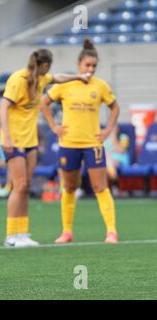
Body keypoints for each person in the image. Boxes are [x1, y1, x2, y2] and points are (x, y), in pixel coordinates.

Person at [0, 49, 90, 247]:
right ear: (46, 65)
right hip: (13, 140)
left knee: (26, 186)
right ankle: (10, 235)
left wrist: (78, 76)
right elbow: (3, 107)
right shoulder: (19, 79)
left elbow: (58, 77)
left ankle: (22, 233)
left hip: (30, 140)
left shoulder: (41, 78)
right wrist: (6, 137)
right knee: (19, 185)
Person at [40, 39, 120, 244]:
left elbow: (115, 107)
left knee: (100, 186)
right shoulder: (65, 84)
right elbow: (43, 102)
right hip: (69, 143)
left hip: (93, 144)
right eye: (87, 65)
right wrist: (54, 126)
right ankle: (66, 232)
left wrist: (108, 130)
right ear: (79, 65)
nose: (91, 69)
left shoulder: (101, 86)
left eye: (94, 66)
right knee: (68, 187)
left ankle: (111, 231)